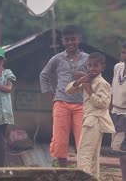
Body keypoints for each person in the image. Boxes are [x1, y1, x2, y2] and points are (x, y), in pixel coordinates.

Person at [39, 25, 88, 167]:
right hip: (61, 103)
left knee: (83, 139)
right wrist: (49, 91)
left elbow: (95, 77)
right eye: (67, 40)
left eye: (73, 39)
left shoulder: (88, 59)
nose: (70, 43)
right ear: (62, 41)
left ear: (79, 40)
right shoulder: (57, 59)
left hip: (82, 104)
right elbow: (44, 75)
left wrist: (85, 77)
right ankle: (63, 172)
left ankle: (82, 170)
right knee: (60, 140)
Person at [66, 52, 115, 179]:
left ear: (102, 67)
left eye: (95, 66)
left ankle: (83, 178)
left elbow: (103, 104)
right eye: (89, 65)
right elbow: (68, 90)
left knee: (84, 154)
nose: (92, 68)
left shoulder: (102, 83)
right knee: (92, 155)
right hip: (90, 120)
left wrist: (89, 90)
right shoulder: (88, 80)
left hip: (94, 121)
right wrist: (81, 81)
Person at [110, 42, 126, 180]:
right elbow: (112, 90)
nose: (125, 55)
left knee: (123, 148)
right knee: (118, 150)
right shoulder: (118, 67)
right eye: (123, 52)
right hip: (115, 112)